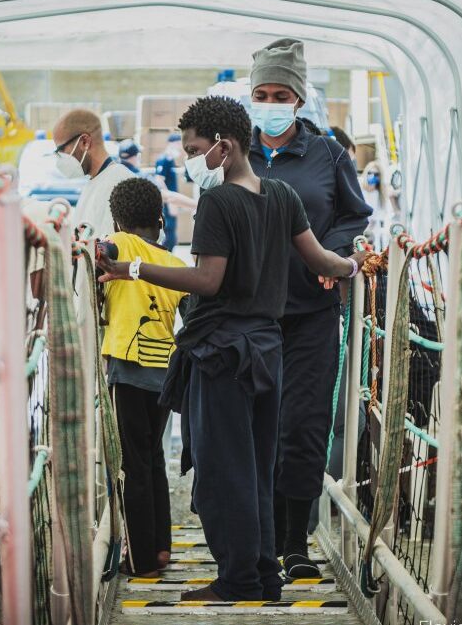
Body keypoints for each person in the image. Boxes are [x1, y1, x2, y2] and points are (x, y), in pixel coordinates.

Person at [96, 96, 367, 602]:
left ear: (224, 146)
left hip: (223, 353)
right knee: (261, 468)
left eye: (195, 149)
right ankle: (264, 574)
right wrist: (357, 267)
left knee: (223, 473)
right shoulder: (283, 194)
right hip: (268, 350)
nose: (190, 160)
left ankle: (238, 578)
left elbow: (207, 279)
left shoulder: (218, 203)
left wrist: (129, 269)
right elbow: (323, 263)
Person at [248, 38, 373, 579]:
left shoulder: (326, 154)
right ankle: (261, 540)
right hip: (250, 315)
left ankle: (295, 544)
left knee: (303, 425)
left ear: (298, 100)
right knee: (259, 426)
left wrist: (335, 253)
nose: (271, 102)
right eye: (262, 93)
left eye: (281, 94)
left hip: (311, 313)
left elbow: (354, 215)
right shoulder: (234, 153)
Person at [100, 177, 185, 578]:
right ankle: (162, 547)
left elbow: (104, 251)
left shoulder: (123, 245)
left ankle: (141, 560)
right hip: (164, 375)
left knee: (130, 465)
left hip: (128, 373)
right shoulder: (172, 263)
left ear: (118, 219)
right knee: (153, 459)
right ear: (158, 218)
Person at [52, 109, 134, 239]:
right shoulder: (93, 183)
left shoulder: (122, 183)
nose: (60, 159)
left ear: (85, 142)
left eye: (61, 150)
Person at [153, 133, 184, 250]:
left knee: (172, 233)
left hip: (172, 200)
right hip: (168, 201)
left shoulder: (170, 160)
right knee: (169, 231)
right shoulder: (164, 159)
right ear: (172, 144)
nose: (180, 147)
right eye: (178, 144)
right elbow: (159, 179)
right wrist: (170, 200)